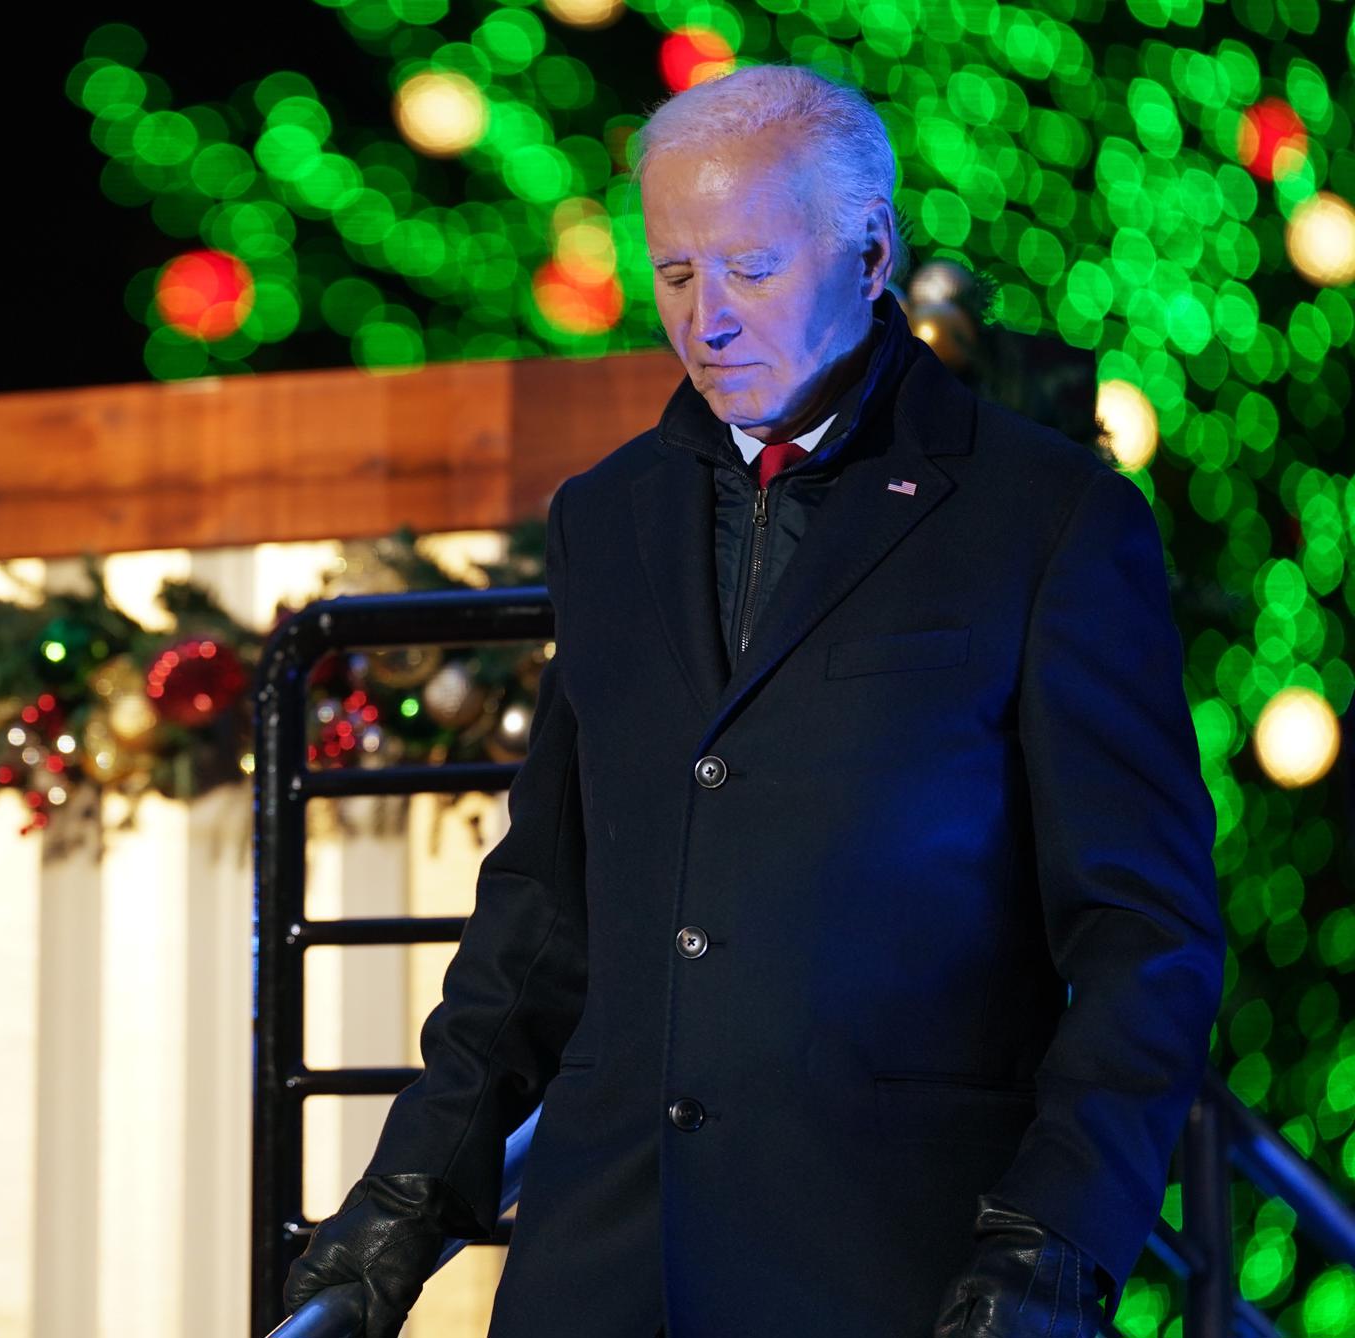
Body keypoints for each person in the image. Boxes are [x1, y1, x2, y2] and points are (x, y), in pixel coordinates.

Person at [284, 63, 1224, 1338]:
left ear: (871, 252)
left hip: (901, 1272)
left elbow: (1144, 939)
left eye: (752, 269)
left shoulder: (1046, 518)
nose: (706, 318)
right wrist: (394, 1214)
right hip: (600, 1270)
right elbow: (544, 913)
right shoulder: (606, 518)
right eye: (675, 274)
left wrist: (1052, 1247)